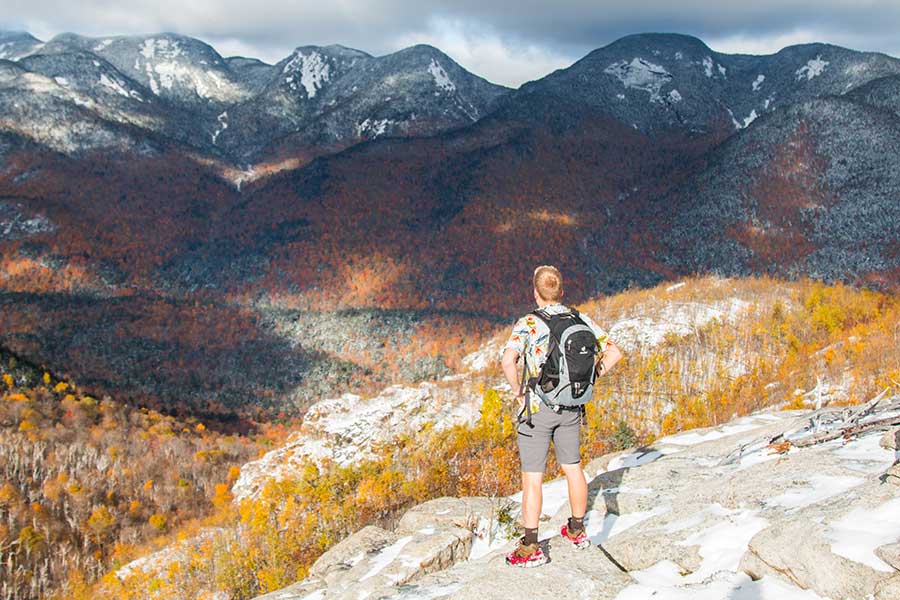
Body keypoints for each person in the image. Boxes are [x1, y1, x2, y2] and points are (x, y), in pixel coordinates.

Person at [500, 265, 623, 567]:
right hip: (572, 407)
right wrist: (591, 377)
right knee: (573, 468)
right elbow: (615, 352)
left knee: (533, 479)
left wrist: (518, 389)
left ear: (535, 291)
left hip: (538, 410)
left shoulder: (529, 322)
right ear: (561, 291)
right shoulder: (580, 318)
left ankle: (531, 546)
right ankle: (577, 530)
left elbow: (508, 360)